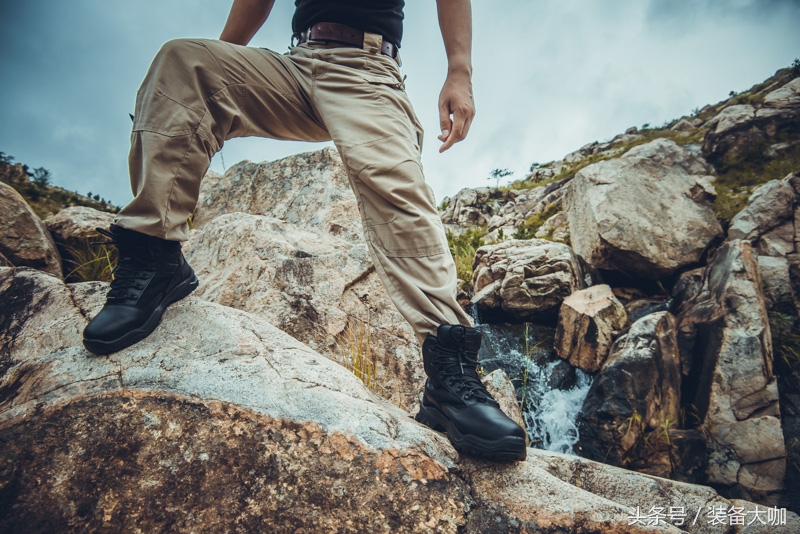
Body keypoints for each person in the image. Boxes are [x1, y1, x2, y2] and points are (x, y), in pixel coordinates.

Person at [82, 0, 527, 462]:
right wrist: (218, 69)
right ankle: (154, 260)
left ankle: (451, 382)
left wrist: (459, 72)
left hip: (368, 71)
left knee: (397, 190)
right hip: (295, 65)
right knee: (183, 61)